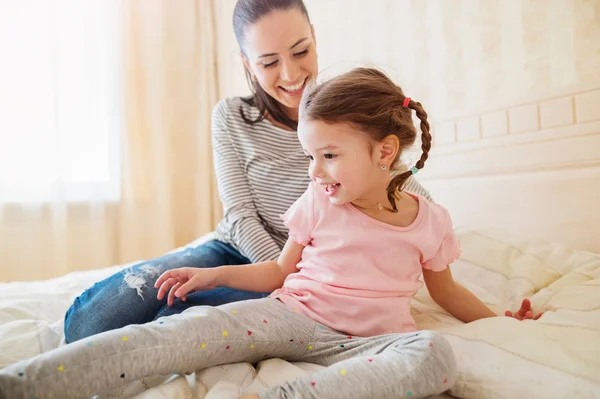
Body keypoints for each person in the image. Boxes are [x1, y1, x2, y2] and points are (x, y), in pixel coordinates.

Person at [0, 67, 542, 399]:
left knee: (434, 355)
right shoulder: (319, 201)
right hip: (291, 313)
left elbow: (445, 293)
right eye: (310, 156)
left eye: (328, 156)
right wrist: (208, 273)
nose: (314, 171)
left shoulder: (431, 221)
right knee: (172, 337)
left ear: (383, 152)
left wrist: (502, 323)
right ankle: (22, 384)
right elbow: (278, 271)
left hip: (366, 343)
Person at [62, 0, 436, 344]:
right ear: (246, 62)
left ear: (315, 39)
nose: (290, 73)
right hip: (236, 250)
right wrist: (281, 271)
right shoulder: (230, 117)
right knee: (91, 322)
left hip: (309, 271)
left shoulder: (348, 118)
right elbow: (240, 213)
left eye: (301, 51)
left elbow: (409, 194)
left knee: (171, 319)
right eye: (269, 62)